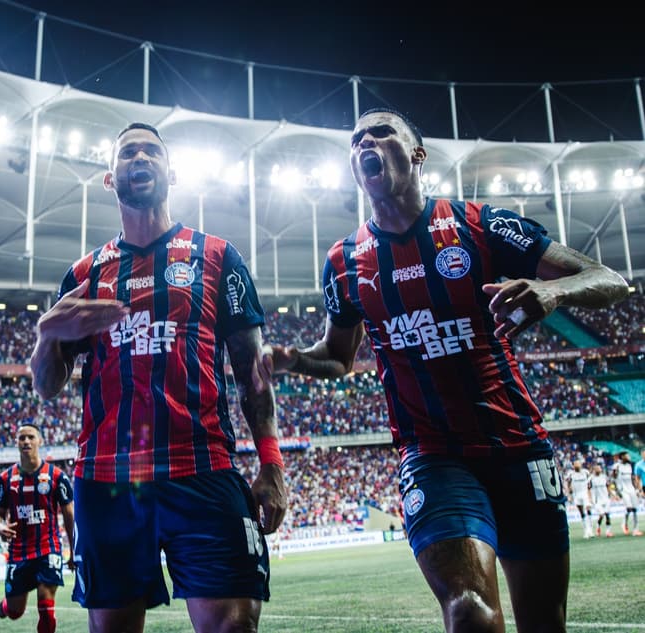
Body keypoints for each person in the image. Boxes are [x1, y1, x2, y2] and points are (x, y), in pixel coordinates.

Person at [263, 108, 630, 632]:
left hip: (517, 444)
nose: (366, 142)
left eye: (382, 132)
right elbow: (340, 358)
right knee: (469, 613)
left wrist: (551, 290)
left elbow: (608, 278)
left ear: (416, 153)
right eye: (356, 139)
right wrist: (296, 359)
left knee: (544, 622)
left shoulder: (480, 225)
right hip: (433, 457)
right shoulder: (344, 262)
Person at [29, 122, 287, 633]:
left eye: (151, 151)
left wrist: (272, 465)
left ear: (172, 171)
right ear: (110, 178)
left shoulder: (217, 257)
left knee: (234, 627)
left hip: (203, 471)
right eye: (128, 153)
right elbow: (47, 385)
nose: (140, 159)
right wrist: (46, 336)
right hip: (107, 483)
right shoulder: (86, 275)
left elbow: (252, 375)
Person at [0, 423, 76, 633]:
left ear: (40, 441)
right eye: (22, 438)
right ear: (16, 443)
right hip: (19, 551)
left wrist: (74, 550)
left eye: (31, 437)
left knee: (45, 602)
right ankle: (6, 605)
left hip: (48, 547)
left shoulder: (57, 476)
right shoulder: (4, 479)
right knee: (15, 612)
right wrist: (0, 527)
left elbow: (69, 515)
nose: (26, 442)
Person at [611, 451, 642, 536]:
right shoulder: (616, 466)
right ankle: (624, 524)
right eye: (627, 456)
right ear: (622, 457)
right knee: (629, 508)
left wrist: (637, 489)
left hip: (631, 489)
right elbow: (613, 478)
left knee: (635, 509)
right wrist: (616, 491)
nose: (629, 457)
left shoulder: (629, 466)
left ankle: (636, 529)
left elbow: (632, 478)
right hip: (623, 489)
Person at [565, 459, 594, 538]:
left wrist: (590, 496)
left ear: (581, 465)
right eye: (575, 464)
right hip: (576, 495)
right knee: (582, 513)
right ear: (573, 465)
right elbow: (568, 483)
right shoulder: (570, 474)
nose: (577, 465)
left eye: (578, 463)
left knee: (588, 509)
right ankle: (586, 530)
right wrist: (569, 495)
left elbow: (589, 485)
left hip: (585, 494)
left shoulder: (586, 472)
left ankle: (590, 530)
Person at [589, 463, 613, 537]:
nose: (599, 470)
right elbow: (588, 489)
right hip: (597, 500)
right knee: (602, 514)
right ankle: (598, 526)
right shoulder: (591, 479)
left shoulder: (604, 477)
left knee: (607, 515)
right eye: (597, 468)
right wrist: (590, 498)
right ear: (594, 470)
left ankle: (608, 531)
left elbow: (608, 486)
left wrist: (611, 495)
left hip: (606, 499)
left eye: (599, 468)